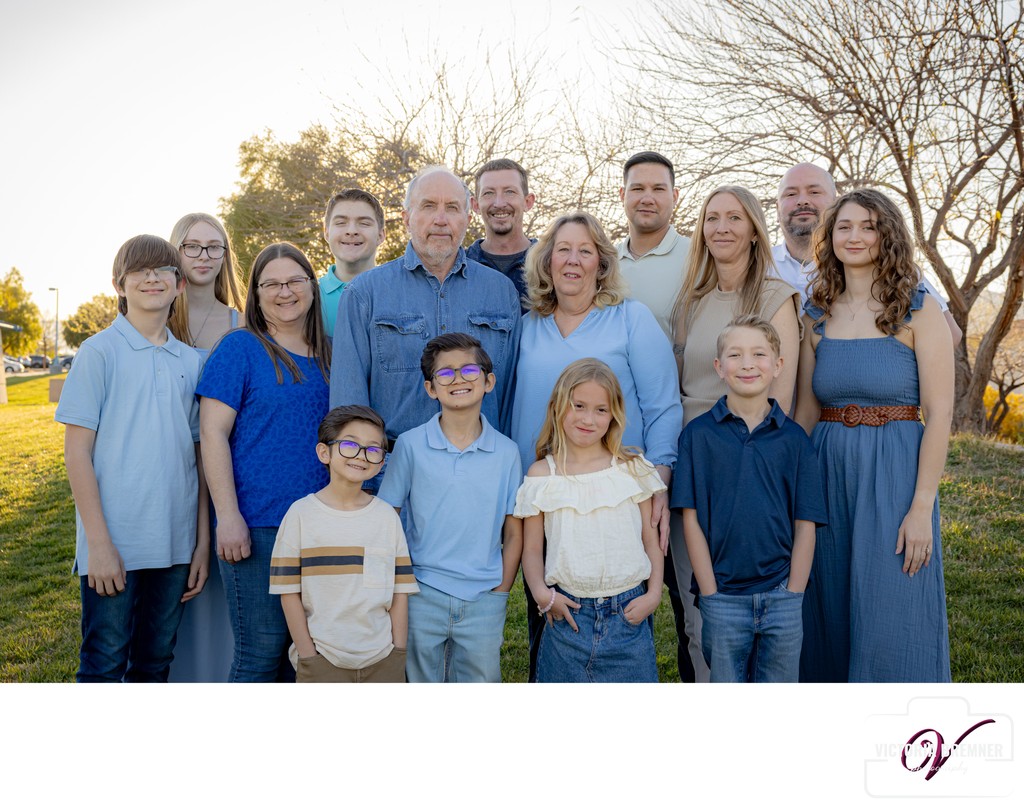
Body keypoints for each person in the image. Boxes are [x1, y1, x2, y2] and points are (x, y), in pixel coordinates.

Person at [511, 210, 681, 680]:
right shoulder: (527, 327)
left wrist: (660, 480)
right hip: (547, 495)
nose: (573, 260)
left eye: (585, 251)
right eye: (562, 250)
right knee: (548, 613)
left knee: (618, 605)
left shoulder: (630, 319)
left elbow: (664, 404)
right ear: (545, 263)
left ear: (602, 264)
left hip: (617, 494)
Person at [794, 189, 953, 682]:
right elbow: (805, 411)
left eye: (868, 226)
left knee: (893, 607)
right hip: (827, 471)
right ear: (830, 237)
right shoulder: (815, 313)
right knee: (827, 607)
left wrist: (921, 507)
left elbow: (941, 412)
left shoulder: (919, 309)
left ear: (888, 235)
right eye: (844, 227)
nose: (855, 236)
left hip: (896, 473)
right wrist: (792, 494)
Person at [55, 235, 205, 682]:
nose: (152, 278)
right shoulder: (99, 352)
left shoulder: (192, 361)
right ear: (119, 285)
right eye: (139, 271)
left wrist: (199, 544)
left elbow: (197, 459)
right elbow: (77, 452)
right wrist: (98, 545)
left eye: (163, 270)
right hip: (114, 541)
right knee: (103, 663)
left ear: (179, 285)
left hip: (176, 544)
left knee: (155, 664)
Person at [198, 242, 332, 682]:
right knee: (261, 653)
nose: (284, 291)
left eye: (294, 280)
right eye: (270, 283)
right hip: (259, 527)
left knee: (311, 655)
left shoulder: (334, 353)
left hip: (325, 525)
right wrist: (228, 517)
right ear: (255, 295)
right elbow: (212, 434)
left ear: (312, 287)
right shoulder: (240, 348)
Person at [672, 316, 826, 682]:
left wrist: (794, 593)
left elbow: (806, 524)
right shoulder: (698, 436)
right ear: (718, 367)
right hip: (722, 598)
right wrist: (709, 593)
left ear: (778, 366)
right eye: (735, 355)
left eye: (759, 354)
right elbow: (690, 520)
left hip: (782, 595)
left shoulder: (794, 440)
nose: (747, 364)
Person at [330, 166, 521, 447]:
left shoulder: (501, 293)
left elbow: (510, 399)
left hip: (483, 473)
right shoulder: (364, 294)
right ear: (407, 217)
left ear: (468, 219)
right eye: (429, 206)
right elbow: (348, 407)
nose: (441, 220)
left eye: (452, 208)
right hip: (393, 475)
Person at [378, 334, 522, 682]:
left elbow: (514, 530)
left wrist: (500, 591)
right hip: (421, 593)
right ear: (431, 388)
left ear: (488, 381)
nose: (458, 379)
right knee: (418, 682)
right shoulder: (411, 446)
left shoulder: (507, 453)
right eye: (445, 374)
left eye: (469, 370)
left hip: (483, 597)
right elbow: (386, 518)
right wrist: (399, 584)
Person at [514, 358, 665, 682]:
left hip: (629, 613)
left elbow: (650, 542)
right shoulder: (543, 475)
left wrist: (653, 596)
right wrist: (543, 594)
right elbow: (531, 549)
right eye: (578, 406)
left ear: (614, 415)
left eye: (600, 409)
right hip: (568, 616)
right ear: (558, 406)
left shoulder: (632, 468)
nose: (588, 418)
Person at [616, 149, 704, 683]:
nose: (647, 197)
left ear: (675, 197)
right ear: (623, 196)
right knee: (630, 574)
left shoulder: (696, 255)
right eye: (637, 188)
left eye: (658, 188)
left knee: (688, 585)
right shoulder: (607, 260)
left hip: (688, 430)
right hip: (624, 443)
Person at [269, 405, 418, 683]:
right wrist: (308, 655)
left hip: (383, 659)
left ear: (382, 461)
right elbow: (288, 592)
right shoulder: (300, 515)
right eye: (350, 445)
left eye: (373, 449)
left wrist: (398, 652)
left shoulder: (387, 517)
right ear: (324, 452)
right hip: (322, 660)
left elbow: (399, 591)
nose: (361, 455)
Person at [166, 212, 244, 683]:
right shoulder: (153, 317)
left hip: (221, 469)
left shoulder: (240, 322)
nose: (203, 257)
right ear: (175, 253)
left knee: (218, 588)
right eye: (192, 247)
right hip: (165, 468)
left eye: (214, 247)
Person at [773, 162, 962, 346]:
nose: (802, 200)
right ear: (777, 207)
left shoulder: (886, 264)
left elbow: (949, 335)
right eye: (790, 194)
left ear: (835, 202)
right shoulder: (757, 263)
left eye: (814, 192)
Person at [672, 185, 801, 425]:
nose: (722, 228)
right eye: (712, 219)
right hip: (687, 444)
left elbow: (779, 405)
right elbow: (673, 391)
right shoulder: (691, 303)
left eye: (734, 218)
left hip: (745, 445)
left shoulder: (776, 298)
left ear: (754, 232)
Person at [468, 158, 536, 309]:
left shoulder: (550, 264)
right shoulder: (460, 267)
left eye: (509, 192)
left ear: (528, 202)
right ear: (475, 205)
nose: (499, 203)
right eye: (489, 193)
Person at [319, 189, 386, 338]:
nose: (351, 231)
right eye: (341, 223)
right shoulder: (309, 297)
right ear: (327, 233)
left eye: (364, 223)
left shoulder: (398, 293)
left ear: (381, 235)